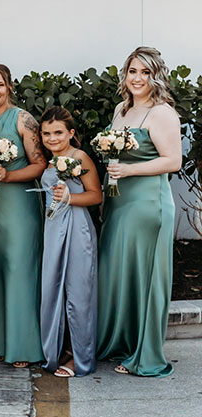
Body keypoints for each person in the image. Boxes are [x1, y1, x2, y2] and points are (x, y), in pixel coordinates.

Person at [96, 47, 181, 377]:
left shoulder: (162, 113)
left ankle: (144, 354)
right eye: (133, 71)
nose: (138, 78)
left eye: (145, 72)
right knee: (119, 271)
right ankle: (119, 340)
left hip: (147, 203)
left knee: (144, 277)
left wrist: (129, 171)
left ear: (155, 75)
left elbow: (172, 162)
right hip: (119, 202)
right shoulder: (121, 109)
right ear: (125, 74)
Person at [0, 63, 47, 368]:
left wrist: (9, 177)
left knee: (17, 269)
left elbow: (39, 164)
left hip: (17, 206)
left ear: (9, 87)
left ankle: (23, 345)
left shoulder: (23, 119)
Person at [38, 106, 102, 377]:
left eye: (58, 133)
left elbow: (96, 195)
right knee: (53, 290)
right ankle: (58, 348)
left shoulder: (79, 157)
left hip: (77, 228)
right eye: (46, 133)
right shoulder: (51, 160)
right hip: (53, 229)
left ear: (71, 133)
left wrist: (69, 198)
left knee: (78, 294)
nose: (52, 138)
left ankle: (80, 357)